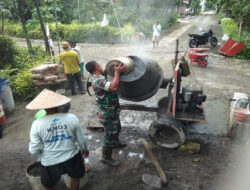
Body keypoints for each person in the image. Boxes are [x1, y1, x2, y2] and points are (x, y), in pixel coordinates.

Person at [27, 89, 89, 190]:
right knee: (75, 177)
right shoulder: (71, 118)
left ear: (43, 107)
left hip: (50, 160)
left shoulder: (37, 124)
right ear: (58, 104)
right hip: (72, 157)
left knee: (49, 185)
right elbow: (82, 141)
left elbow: (34, 150)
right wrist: (85, 150)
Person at [85, 61, 126, 167]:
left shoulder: (102, 79)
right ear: (97, 66)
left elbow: (112, 86)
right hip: (107, 113)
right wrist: (117, 73)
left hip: (112, 110)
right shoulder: (98, 81)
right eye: (100, 64)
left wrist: (116, 74)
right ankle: (106, 158)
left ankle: (116, 143)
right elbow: (114, 86)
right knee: (109, 135)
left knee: (117, 127)